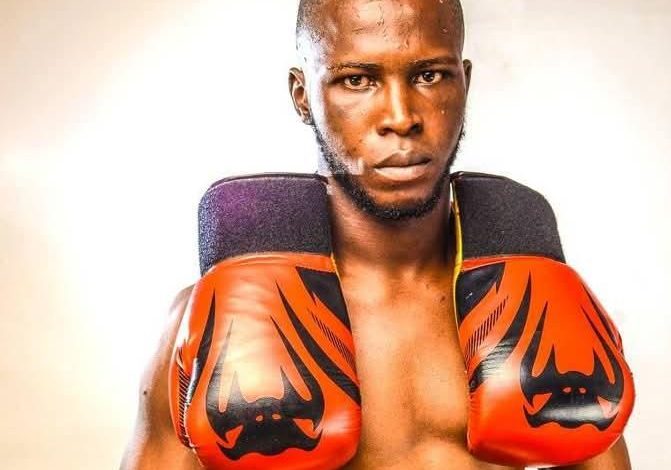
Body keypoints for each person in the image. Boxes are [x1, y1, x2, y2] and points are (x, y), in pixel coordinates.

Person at [121, 0, 632, 468]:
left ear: (464, 83)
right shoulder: (216, 322)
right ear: (302, 95)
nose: (401, 117)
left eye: (429, 76)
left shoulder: (542, 308)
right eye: (358, 80)